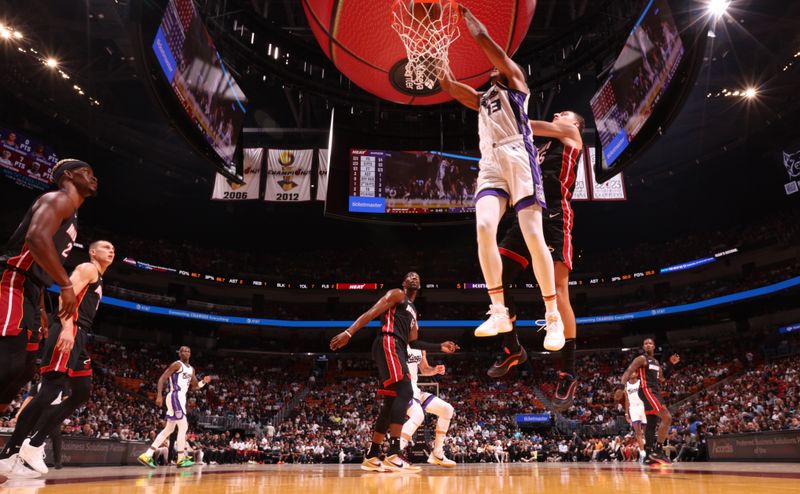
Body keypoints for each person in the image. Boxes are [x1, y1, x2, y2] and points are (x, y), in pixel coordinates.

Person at [438, 6, 563, 349]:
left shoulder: (518, 85)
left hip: (518, 156)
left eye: (498, 67)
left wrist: (463, 15)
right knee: (482, 229)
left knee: (533, 234)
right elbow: (448, 83)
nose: (493, 68)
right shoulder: (482, 99)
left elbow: (485, 40)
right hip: (491, 161)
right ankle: (497, 309)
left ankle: (552, 317)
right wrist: (435, 45)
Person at [485, 111, 585, 411]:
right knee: (495, 275)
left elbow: (526, 126)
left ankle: (568, 373)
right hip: (527, 213)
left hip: (555, 214)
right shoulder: (539, 148)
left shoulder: (570, 135)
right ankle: (511, 347)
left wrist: (498, 113)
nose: (558, 114)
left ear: (575, 123)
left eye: (564, 113)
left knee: (558, 288)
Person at [0, 240, 113, 476]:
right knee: (50, 391)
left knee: (82, 391)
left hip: (79, 336)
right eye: (105, 247)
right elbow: (65, 294)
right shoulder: (88, 268)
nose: (111, 250)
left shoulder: (99, 277)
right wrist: (66, 328)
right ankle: (11, 452)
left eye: (113, 248)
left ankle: (35, 444)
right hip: (69, 330)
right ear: (93, 252)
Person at [329, 272, 458, 472]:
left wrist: (440, 346)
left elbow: (413, 342)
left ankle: (372, 456)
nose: (414, 277)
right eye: (410, 276)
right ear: (404, 283)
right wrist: (349, 332)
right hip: (389, 342)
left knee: (391, 401)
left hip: (397, 345)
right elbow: (373, 312)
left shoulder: (413, 312)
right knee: (405, 392)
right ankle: (394, 453)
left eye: (417, 276)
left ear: (420, 285)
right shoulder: (398, 295)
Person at [0, 159, 97, 409]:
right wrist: (65, 286)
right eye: (86, 172)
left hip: (32, 289)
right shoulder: (59, 198)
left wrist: (42, 308)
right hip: (13, 280)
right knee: (8, 362)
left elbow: (40, 265)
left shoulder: (72, 213)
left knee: (23, 368)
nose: (93, 177)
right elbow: (36, 237)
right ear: (68, 175)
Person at [138, 346, 212, 469]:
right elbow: (162, 379)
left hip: (181, 397)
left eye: (188, 350)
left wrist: (203, 382)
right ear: (179, 354)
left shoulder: (191, 369)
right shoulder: (177, 364)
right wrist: (159, 395)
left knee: (169, 429)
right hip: (175, 395)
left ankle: (147, 454)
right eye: (183, 350)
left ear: (190, 354)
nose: (186, 352)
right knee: (183, 426)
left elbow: (194, 386)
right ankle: (181, 458)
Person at [621, 338, 680, 466]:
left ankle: (648, 455)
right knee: (667, 418)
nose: (648, 345)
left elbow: (663, 379)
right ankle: (658, 450)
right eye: (645, 343)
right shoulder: (642, 359)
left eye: (650, 343)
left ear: (654, 346)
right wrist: (621, 386)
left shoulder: (657, 363)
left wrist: (671, 365)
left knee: (651, 423)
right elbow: (629, 371)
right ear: (643, 346)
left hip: (655, 391)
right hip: (647, 390)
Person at [400, 347, 456, 467]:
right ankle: (394, 453)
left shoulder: (420, 348)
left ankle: (437, 453)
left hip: (416, 391)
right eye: (415, 326)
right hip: (402, 389)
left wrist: (434, 369)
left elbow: (425, 369)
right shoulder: (397, 343)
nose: (417, 327)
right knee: (418, 415)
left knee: (447, 410)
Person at [622, 374, 647, 464]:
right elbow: (626, 400)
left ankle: (649, 450)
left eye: (633, 372)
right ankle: (642, 453)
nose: (632, 373)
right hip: (633, 409)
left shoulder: (641, 383)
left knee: (646, 432)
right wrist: (626, 413)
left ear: (636, 373)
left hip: (643, 407)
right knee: (638, 432)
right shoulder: (626, 386)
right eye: (630, 372)